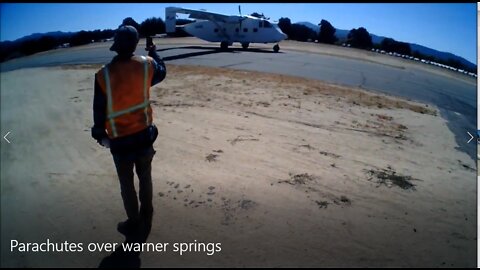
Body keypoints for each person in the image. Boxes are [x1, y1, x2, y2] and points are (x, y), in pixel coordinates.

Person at [91, 25, 167, 236]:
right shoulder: (146, 66)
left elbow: (99, 111)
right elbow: (162, 71)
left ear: (116, 46)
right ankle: (147, 214)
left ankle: (134, 222)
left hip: (120, 142)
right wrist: (153, 51)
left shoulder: (102, 76)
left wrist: (99, 134)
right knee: (145, 179)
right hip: (144, 137)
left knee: (127, 186)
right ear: (135, 44)